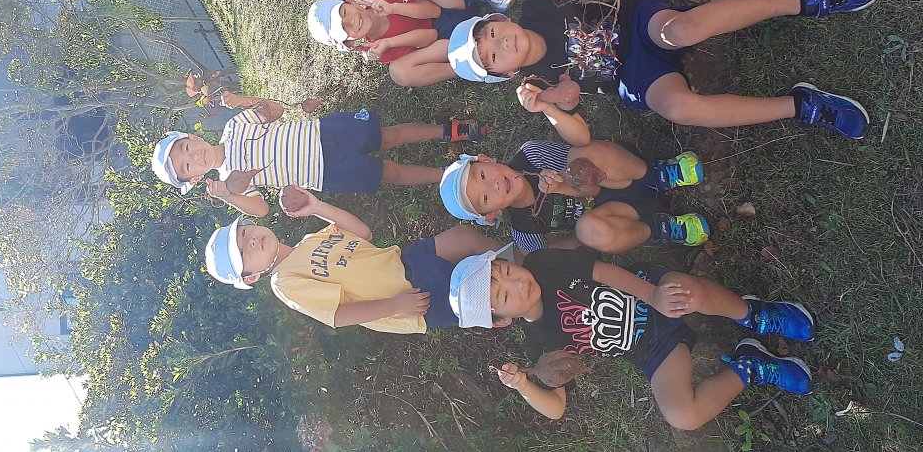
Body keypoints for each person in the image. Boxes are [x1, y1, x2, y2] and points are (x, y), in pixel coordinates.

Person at [446, 0, 878, 139]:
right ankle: (802, 105)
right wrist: (552, 106)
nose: (501, 44)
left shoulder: (534, 9)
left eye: (492, 33)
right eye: (492, 57)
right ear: (505, 75)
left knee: (681, 29)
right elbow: (579, 133)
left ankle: (805, 0)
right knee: (680, 109)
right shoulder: (535, 85)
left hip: (636, 23)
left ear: (498, 18)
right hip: (633, 77)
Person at [449, 243, 816, 427]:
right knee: (682, 416)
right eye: (504, 296)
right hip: (651, 348)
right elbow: (556, 408)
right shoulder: (540, 345)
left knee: (686, 294)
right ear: (502, 320)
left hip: (645, 290)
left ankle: (753, 313)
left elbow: (604, 272)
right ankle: (751, 366)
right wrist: (524, 387)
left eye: (507, 272)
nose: (518, 284)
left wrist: (654, 295)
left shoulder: (542, 264)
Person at [440, 86, 707, 252]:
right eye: (486, 198)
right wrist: (581, 238)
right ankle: (661, 228)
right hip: (621, 217)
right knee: (587, 230)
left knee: (583, 157)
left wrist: (562, 183)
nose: (495, 185)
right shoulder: (525, 230)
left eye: (483, 175)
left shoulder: (531, 155)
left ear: (486, 159)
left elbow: (586, 165)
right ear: (492, 215)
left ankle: (658, 175)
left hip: (618, 176)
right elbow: (548, 254)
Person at [205, 186, 504, 333]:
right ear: (251, 276)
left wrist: (317, 206)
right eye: (243, 253)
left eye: (244, 233)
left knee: (465, 237)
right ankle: (518, 302)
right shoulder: (283, 283)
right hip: (409, 296)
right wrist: (395, 306)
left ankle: (521, 254)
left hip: (405, 261)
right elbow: (337, 315)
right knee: (489, 291)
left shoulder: (308, 241)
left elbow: (362, 232)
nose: (251, 241)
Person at [151, 99, 489, 214]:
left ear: (193, 137)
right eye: (187, 166)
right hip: (326, 173)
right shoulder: (231, 184)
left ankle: (448, 130)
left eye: (186, 148)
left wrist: (246, 102)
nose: (194, 156)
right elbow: (262, 209)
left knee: (388, 136)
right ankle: (451, 175)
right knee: (390, 172)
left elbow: (275, 111)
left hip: (325, 132)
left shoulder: (234, 126)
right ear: (195, 178)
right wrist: (227, 196)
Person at [307, 0, 513, 86]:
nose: (351, 21)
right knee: (398, 72)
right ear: (351, 42)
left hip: (451, 5)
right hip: (451, 40)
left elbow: (433, 10)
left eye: (344, 12)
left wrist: (393, 8)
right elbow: (429, 36)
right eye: (345, 28)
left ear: (351, 0)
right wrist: (389, 43)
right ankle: (472, 67)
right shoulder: (379, 49)